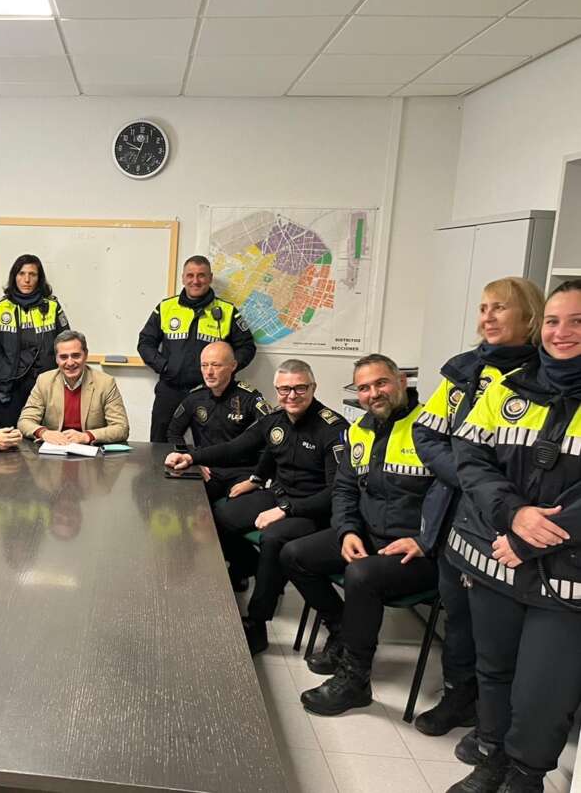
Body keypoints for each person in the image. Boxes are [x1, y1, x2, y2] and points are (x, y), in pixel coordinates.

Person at [445, 280, 581, 793]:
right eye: (554, 321)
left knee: (544, 689)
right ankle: (491, 758)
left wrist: (530, 536)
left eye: (578, 322)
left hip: (564, 575)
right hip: (496, 555)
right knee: (494, 669)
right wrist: (514, 513)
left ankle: (524, 778)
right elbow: (471, 457)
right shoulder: (508, 387)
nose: (562, 332)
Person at [411, 277, 543, 754]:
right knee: (458, 617)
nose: (488, 317)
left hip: (507, 525)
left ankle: (497, 724)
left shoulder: (543, 377)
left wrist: (487, 490)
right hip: (453, 518)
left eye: (500, 308)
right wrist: (470, 478)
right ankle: (459, 696)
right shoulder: (462, 370)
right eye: (483, 308)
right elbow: (427, 435)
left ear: (529, 316)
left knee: (499, 633)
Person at [281, 354, 436, 716]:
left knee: (361, 575)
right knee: (294, 554)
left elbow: (454, 496)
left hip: (418, 549)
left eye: (381, 383)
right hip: (369, 533)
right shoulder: (358, 431)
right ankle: (342, 630)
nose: (373, 393)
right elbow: (345, 490)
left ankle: (355, 678)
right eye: (364, 388)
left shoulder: (430, 427)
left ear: (401, 381)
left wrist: (424, 540)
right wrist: (348, 530)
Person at [165, 359, 345, 654]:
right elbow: (237, 447)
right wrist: (193, 458)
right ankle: (251, 567)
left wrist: (285, 510)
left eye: (300, 388)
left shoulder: (332, 428)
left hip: (312, 508)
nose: (292, 395)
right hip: (279, 495)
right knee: (218, 515)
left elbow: (335, 492)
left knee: (273, 538)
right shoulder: (276, 420)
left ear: (313, 387)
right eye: (284, 389)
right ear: (276, 390)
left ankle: (257, 622)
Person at [138, 254, 255, 442]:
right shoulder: (166, 307)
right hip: (171, 389)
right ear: (183, 278)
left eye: (201, 275)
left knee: (212, 445)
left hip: (211, 393)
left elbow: (247, 347)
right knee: (160, 443)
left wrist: (226, 370)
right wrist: (164, 367)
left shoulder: (227, 311)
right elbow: (145, 342)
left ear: (210, 278)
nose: (195, 281)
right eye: (190, 275)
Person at [166, 341, 272, 500]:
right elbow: (173, 432)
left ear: (233, 366)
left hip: (241, 471)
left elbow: (271, 435)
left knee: (240, 509)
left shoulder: (250, 398)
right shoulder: (194, 397)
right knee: (182, 500)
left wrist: (257, 477)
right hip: (206, 466)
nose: (209, 372)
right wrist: (189, 459)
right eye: (204, 365)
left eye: (216, 365)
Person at [0, 254, 70, 427]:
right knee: (8, 436)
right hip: (9, 388)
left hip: (45, 385)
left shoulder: (52, 307)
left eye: (32, 274)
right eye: (22, 274)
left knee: (45, 435)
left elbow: (66, 344)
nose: (27, 280)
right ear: (14, 277)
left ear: (39, 278)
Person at [18, 330, 130, 445]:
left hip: (89, 450)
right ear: (56, 359)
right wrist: (43, 433)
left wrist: (87, 436)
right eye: (63, 357)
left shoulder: (105, 383)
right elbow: (25, 421)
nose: (70, 362)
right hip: (55, 448)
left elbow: (121, 427)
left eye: (76, 356)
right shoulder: (44, 381)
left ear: (85, 355)